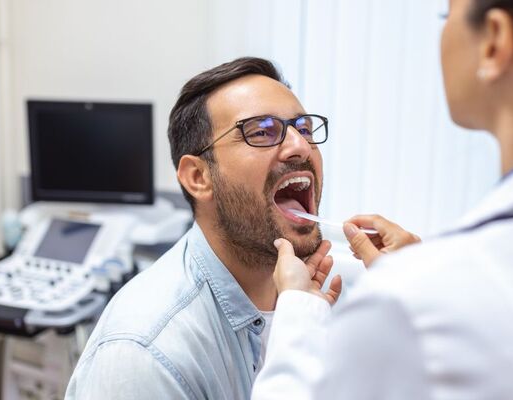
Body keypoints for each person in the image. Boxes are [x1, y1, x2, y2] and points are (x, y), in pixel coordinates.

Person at [253, 0, 513, 398]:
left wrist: (298, 313)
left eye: (447, 13)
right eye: (261, 131)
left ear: (494, 41)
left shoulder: (417, 307)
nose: (297, 147)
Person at [66, 57, 341, 399]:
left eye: (303, 128)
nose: (301, 146)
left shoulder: (316, 296)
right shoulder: (145, 355)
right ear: (198, 177)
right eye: (262, 131)